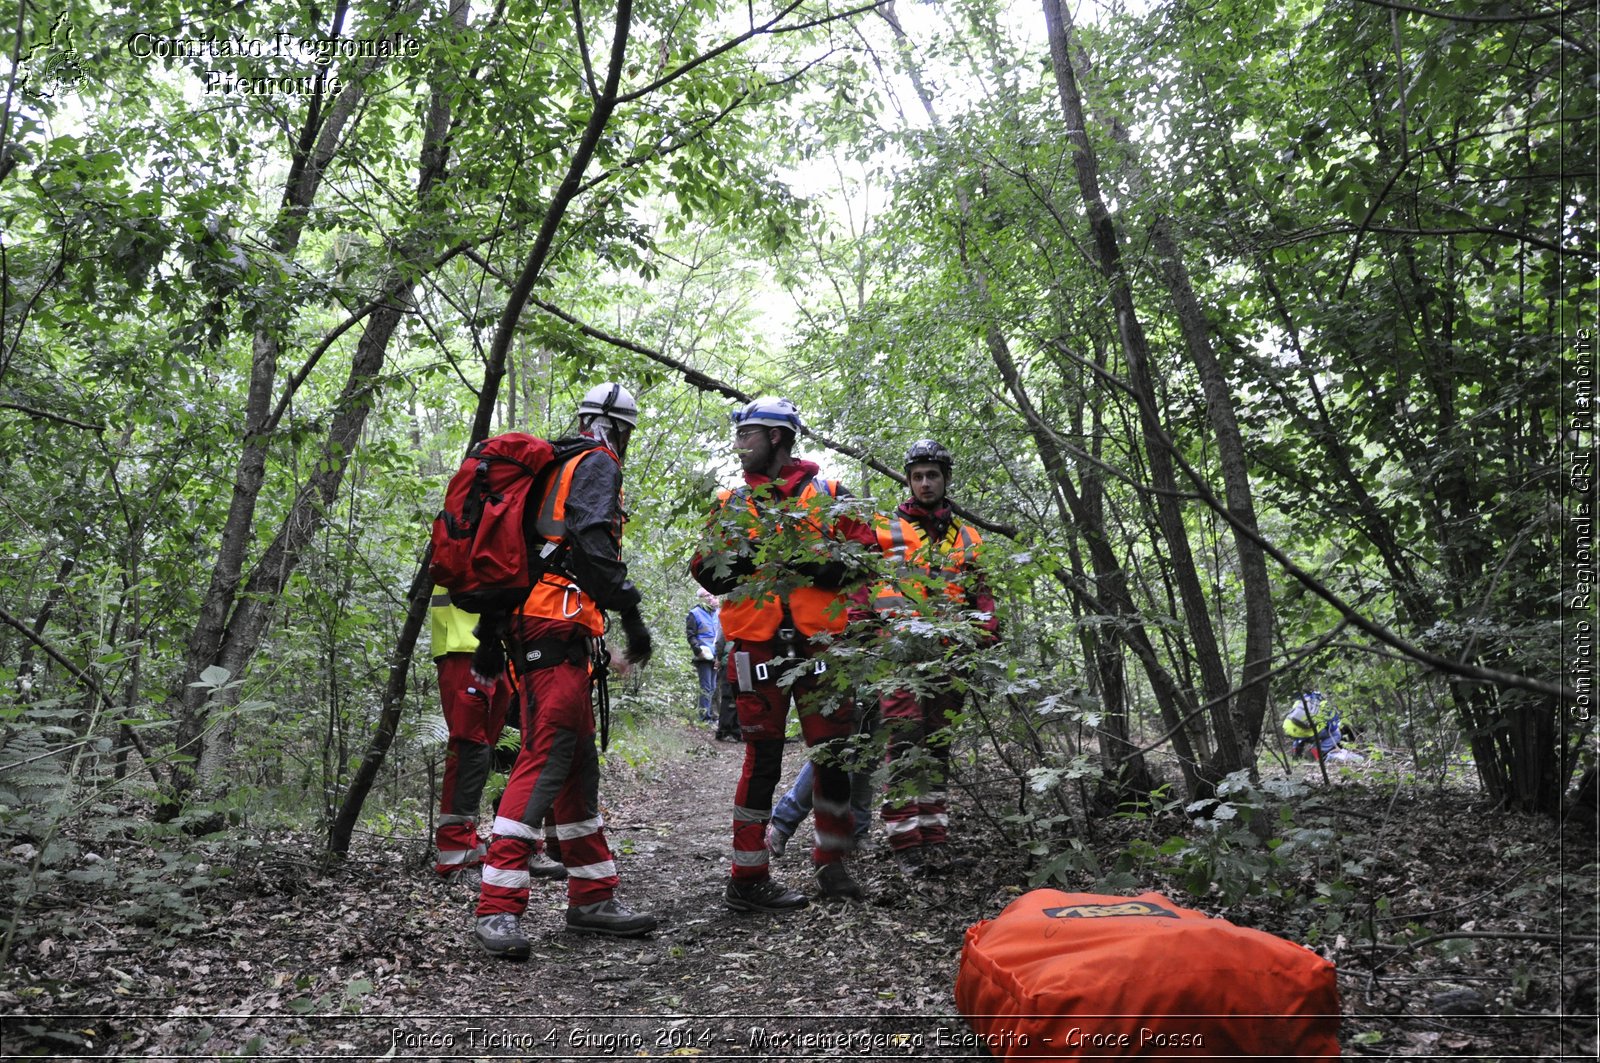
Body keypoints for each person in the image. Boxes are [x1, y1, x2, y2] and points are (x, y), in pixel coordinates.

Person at [473, 383, 657, 959]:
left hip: (551, 630)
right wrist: (632, 614)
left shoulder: (553, 465)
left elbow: (525, 555)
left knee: (576, 764)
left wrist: (488, 638)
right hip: (553, 629)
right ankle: (498, 906)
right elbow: (593, 543)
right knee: (547, 759)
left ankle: (593, 897)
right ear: (617, 430)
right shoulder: (595, 463)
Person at [690, 396, 877, 911]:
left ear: (776, 437)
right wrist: (749, 560)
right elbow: (704, 570)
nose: (738, 445)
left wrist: (808, 566)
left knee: (834, 757)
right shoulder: (730, 503)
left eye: (747, 435)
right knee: (762, 762)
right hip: (755, 650)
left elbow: (866, 563)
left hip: (824, 648)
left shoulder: (832, 495)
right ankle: (747, 879)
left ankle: (832, 863)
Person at [871, 439, 998, 877]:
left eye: (933, 475)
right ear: (908, 481)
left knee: (938, 747)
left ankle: (934, 838)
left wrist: (985, 635)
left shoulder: (968, 537)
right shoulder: (884, 530)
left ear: (946, 480)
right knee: (906, 745)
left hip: (951, 658)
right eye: (918, 476)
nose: (925, 483)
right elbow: (860, 592)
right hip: (900, 659)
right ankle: (906, 842)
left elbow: (982, 596)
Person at [430, 589, 566, 885]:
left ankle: (516, 846)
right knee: (470, 748)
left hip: (508, 646)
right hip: (464, 644)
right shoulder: (466, 540)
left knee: (513, 745)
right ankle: (458, 854)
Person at [765, 703, 878, 857]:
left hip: (881, 688)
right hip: (851, 687)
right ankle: (783, 823)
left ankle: (858, 831)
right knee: (835, 751)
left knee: (868, 756)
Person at [1283, 692, 1363, 764]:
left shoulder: (1302, 700)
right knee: (1336, 734)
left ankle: (1296, 754)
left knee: (1301, 733)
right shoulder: (1325, 704)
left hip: (1288, 728)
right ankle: (1315, 753)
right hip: (1306, 732)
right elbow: (1332, 728)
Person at [686, 589, 722, 725]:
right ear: (700, 598)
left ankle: (711, 716)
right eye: (707, 596)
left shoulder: (717, 612)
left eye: (712, 595)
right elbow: (691, 635)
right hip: (703, 655)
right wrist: (697, 650)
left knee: (713, 687)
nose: (710, 598)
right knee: (706, 687)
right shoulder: (694, 613)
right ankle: (703, 718)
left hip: (716, 655)